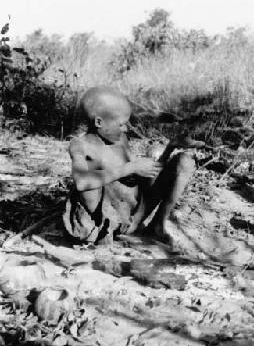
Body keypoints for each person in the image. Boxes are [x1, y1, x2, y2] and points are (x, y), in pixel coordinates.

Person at [63, 87, 195, 245]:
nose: (125, 129)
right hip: (100, 226)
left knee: (183, 161)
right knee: (91, 180)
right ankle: (108, 232)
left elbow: (148, 174)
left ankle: (157, 226)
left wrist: (170, 148)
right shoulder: (81, 145)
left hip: (132, 217)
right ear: (99, 122)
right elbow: (82, 182)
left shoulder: (120, 140)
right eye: (120, 125)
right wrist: (130, 168)